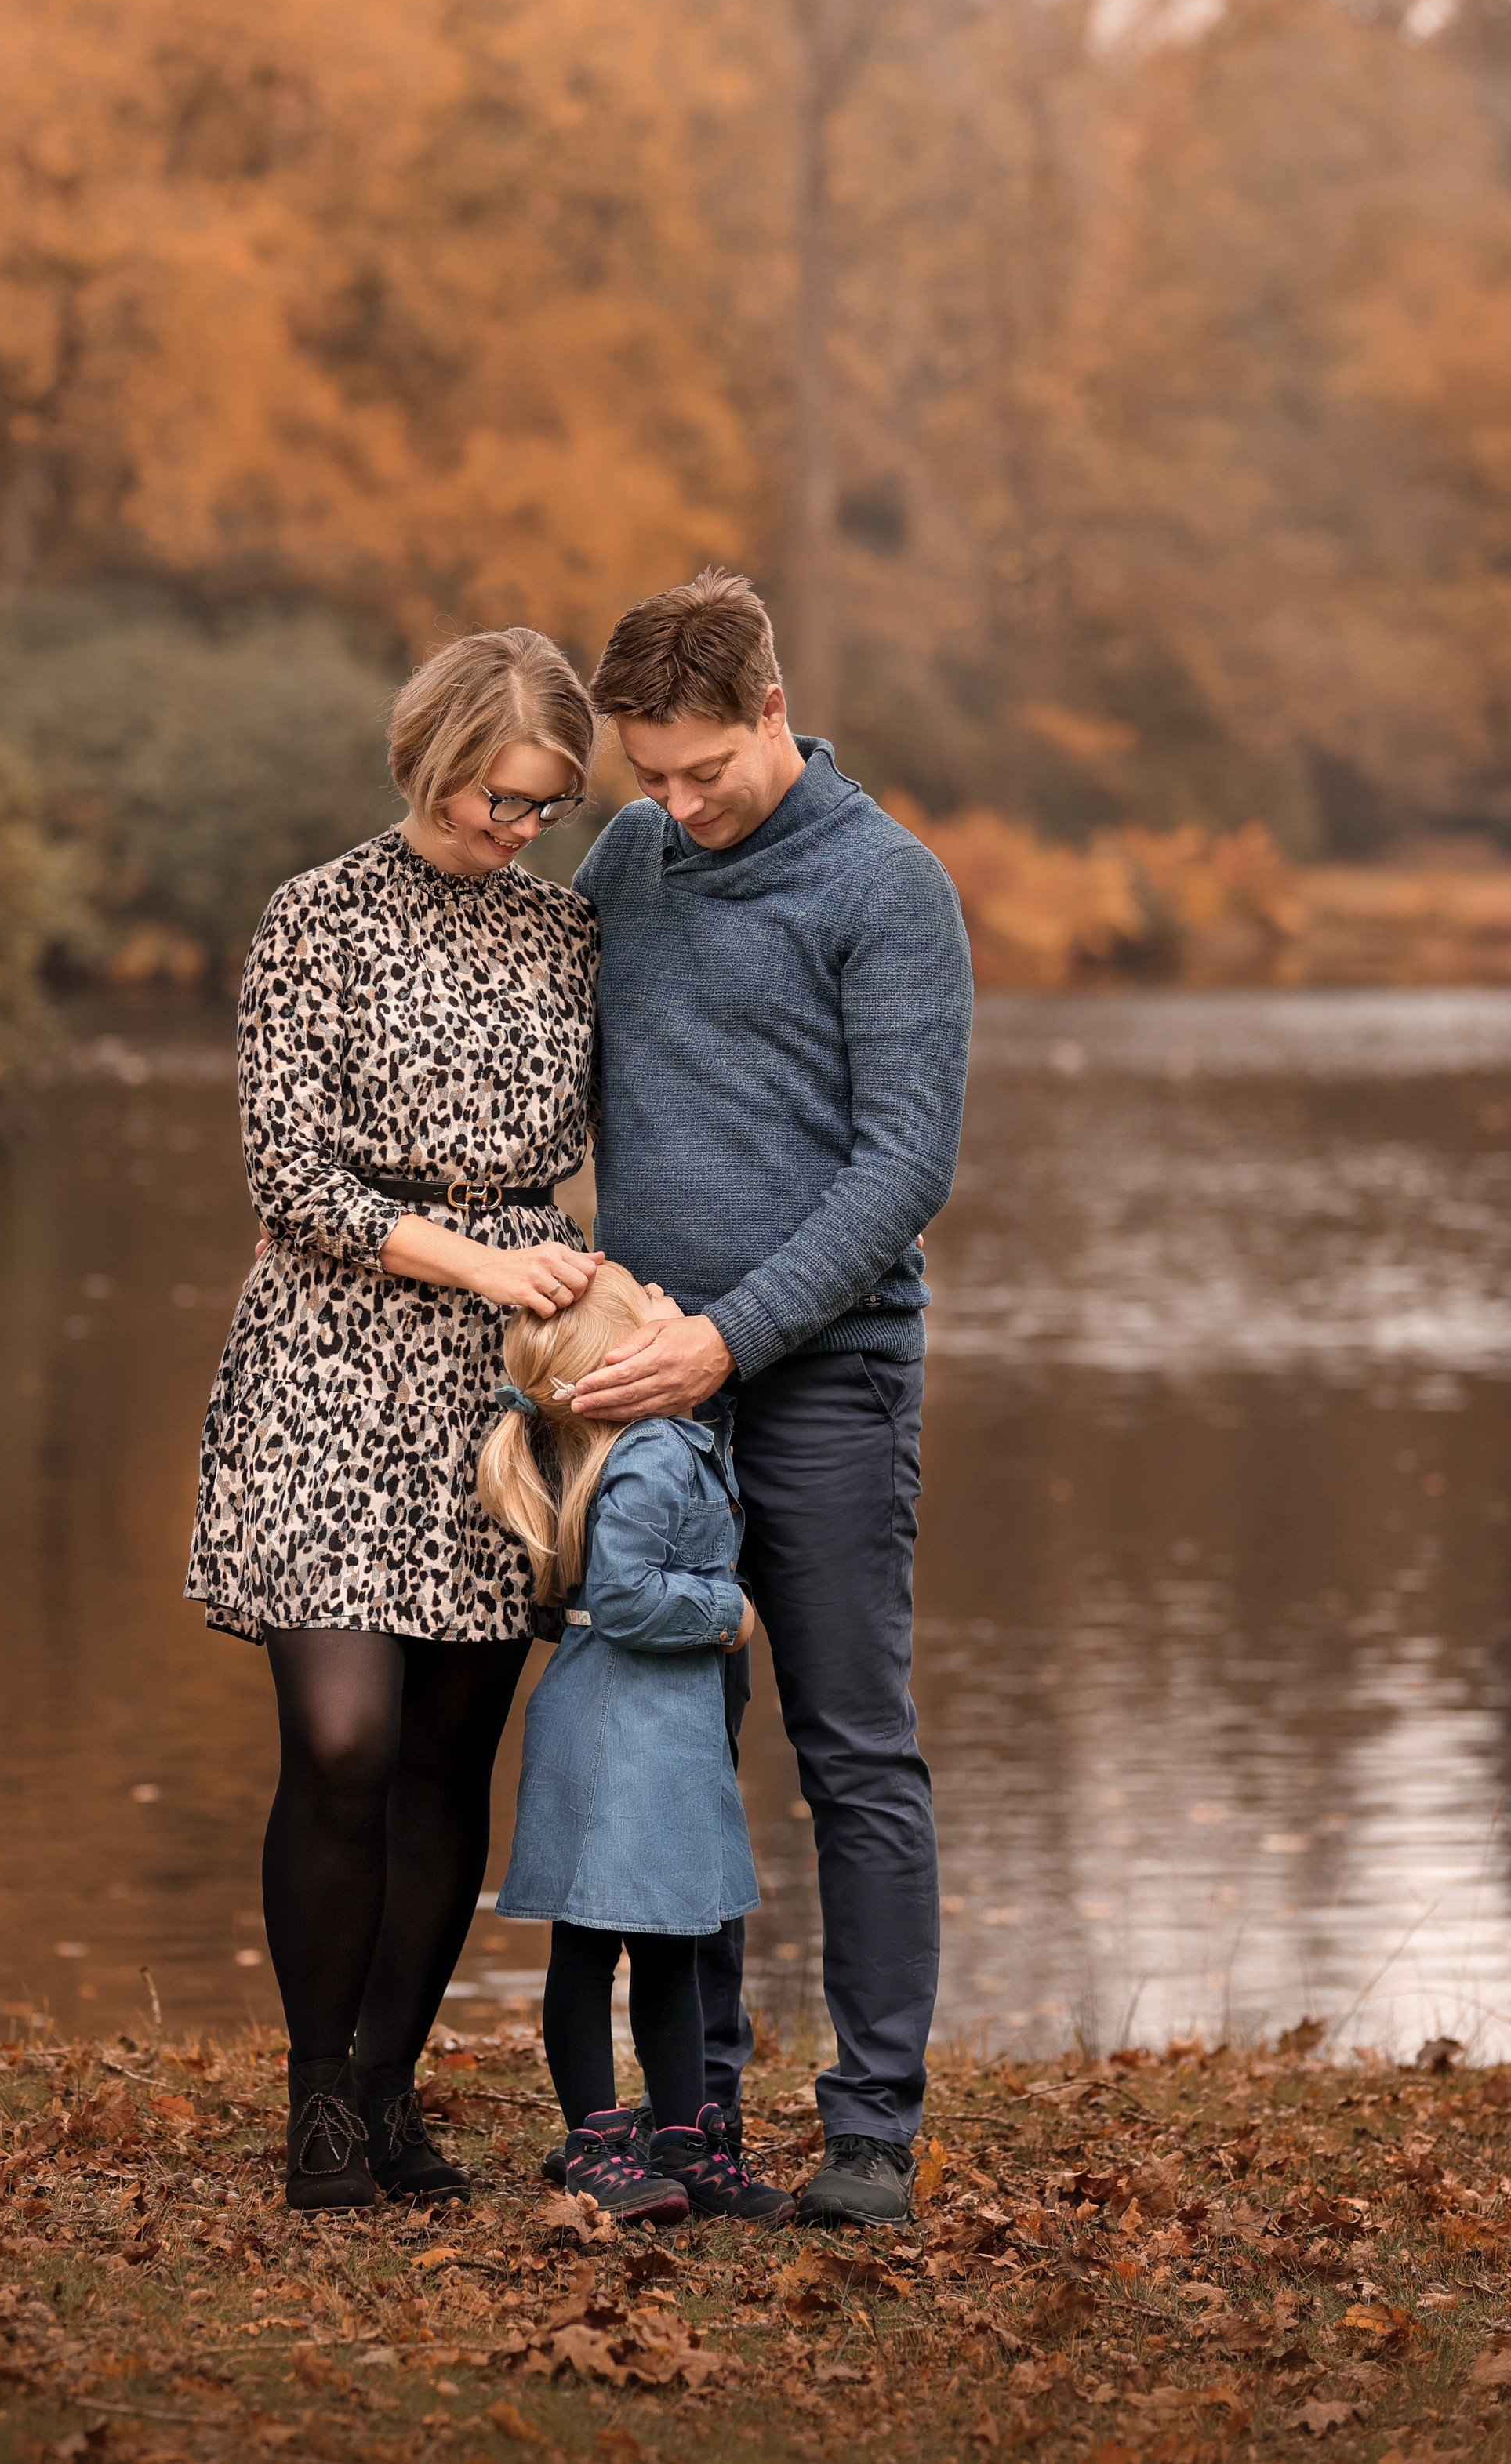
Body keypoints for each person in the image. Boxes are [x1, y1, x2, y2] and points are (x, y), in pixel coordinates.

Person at [566, 568, 972, 2230]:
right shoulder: (626, 859)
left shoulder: (888, 885)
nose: (675, 804)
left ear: (772, 707)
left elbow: (904, 1168)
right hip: (651, 1395)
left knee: (850, 1744)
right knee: (672, 1746)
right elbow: (535, 1060)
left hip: (824, 1377)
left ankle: (869, 2126)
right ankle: (698, 2110)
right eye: (647, 773)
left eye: (702, 769)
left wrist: (729, 1339)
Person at [186, 627, 603, 2212]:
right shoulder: (316, 914)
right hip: (332, 1354)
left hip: (502, 1384)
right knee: (344, 1735)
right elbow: (286, 1172)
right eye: (504, 797)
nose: (522, 829)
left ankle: (382, 2092)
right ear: (432, 761)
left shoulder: (567, 930)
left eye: (550, 805)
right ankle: (314, 2096)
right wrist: (477, 1256)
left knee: (444, 1755)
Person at [478, 1263, 797, 2229]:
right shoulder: (653, 1450)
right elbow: (623, 1596)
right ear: (626, 1359)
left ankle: (680, 2142)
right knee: (606, 1941)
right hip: (625, 1723)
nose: (666, 1291)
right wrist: (730, 1611)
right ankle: (598, 2143)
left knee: (661, 1940)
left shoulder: (641, 1439)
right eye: (646, 1296)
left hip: (646, 1721)